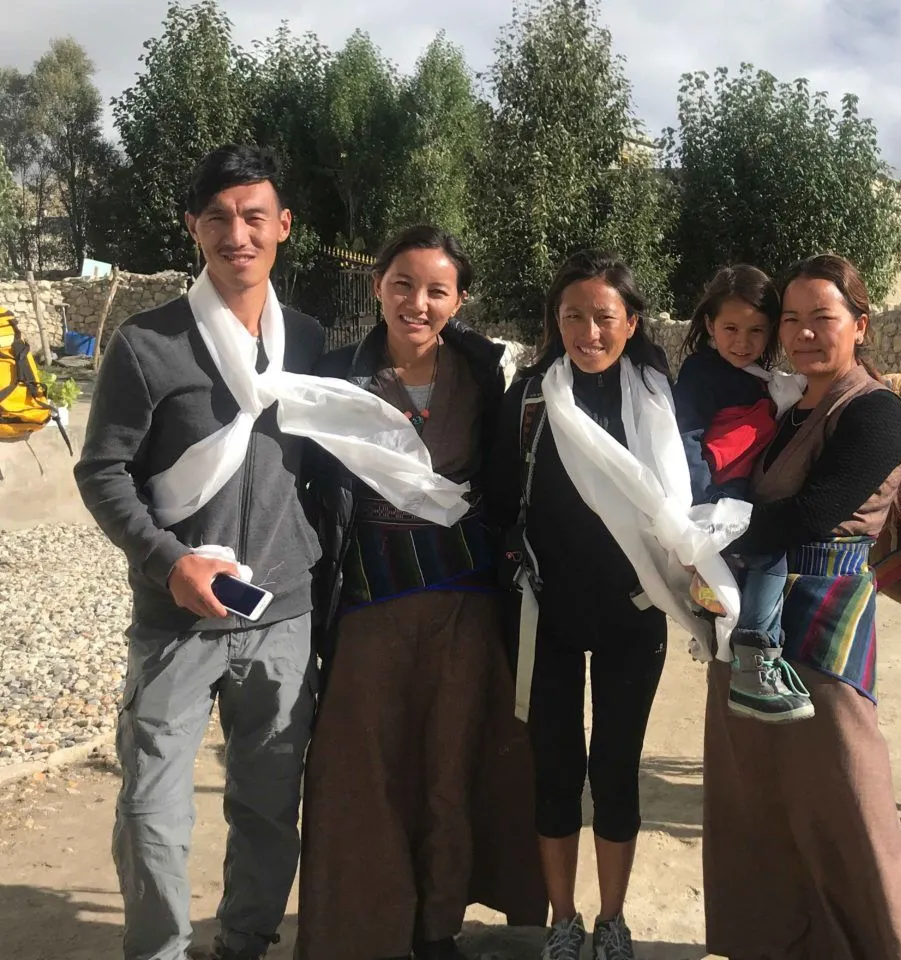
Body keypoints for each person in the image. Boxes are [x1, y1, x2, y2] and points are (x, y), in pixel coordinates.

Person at [73, 145, 326, 960]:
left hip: (280, 618)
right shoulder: (147, 345)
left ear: (283, 226)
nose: (237, 234)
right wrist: (166, 561)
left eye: (255, 216)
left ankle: (245, 943)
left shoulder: (313, 343)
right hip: (175, 618)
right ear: (194, 227)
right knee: (151, 809)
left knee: (267, 807)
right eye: (218, 218)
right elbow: (101, 469)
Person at [294, 225, 547, 959]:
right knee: (362, 768)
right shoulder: (338, 375)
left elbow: (507, 483)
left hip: (462, 604)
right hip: (370, 598)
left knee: (449, 765)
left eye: (437, 290)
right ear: (378, 286)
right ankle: (364, 926)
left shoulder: (483, 375)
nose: (417, 302)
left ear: (459, 300)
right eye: (402, 284)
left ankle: (437, 927)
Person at [488, 249, 737, 960]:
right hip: (549, 620)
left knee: (617, 768)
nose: (588, 332)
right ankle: (564, 919)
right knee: (557, 769)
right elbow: (502, 502)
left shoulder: (661, 401)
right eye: (573, 317)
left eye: (604, 317)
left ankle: (614, 920)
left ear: (631, 323)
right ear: (554, 322)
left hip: (633, 617)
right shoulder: (533, 400)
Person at [702, 254, 901, 959]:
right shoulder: (788, 404)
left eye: (822, 318)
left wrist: (707, 531)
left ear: (859, 326)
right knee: (758, 798)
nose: (804, 333)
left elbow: (815, 512)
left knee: (844, 794)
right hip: (753, 623)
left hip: (826, 620)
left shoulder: (876, 412)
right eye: (792, 320)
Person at [672, 265, 813, 723]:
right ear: (710, 325)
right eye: (730, 328)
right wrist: (702, 505)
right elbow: (688, 438)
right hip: (717, 497)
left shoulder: (763, 378)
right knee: (769, 557)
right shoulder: (700, 373)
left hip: (744, 495)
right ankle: (757, 655)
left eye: (756, 330)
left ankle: (732, 641)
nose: (742, 341)